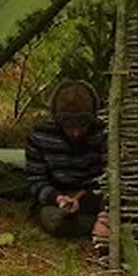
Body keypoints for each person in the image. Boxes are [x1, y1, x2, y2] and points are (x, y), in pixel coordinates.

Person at [26, 81, 106, 238]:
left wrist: (92, 203)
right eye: (68, 125)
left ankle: (101, 221)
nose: (76, 133)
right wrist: (58, 198)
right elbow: (35, 180)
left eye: (82, 125)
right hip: (59, 196)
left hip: (95, 194)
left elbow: (109, 176)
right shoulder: (40, 135)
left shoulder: (103, 134)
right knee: (55, 220)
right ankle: (92, 225)